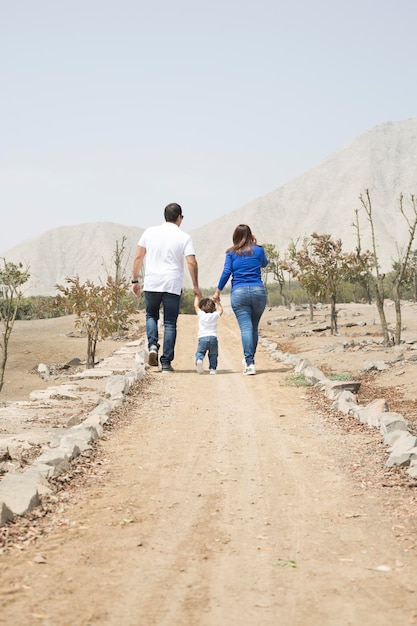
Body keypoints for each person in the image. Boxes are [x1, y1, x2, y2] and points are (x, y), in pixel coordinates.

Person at [131, 202, 201, 373]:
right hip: (172, 284)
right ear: (179, 218)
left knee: (151, 315)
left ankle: (153, 345)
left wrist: (135, 280)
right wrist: (195, 286)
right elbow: (191, 261)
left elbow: (139, 257)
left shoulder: (149, 232)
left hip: (152, 282)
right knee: (170, 323)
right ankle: (166, 363)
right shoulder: (184, 237)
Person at [213, 224, 268, 375]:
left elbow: (226, 272)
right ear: (251, 235)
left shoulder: (231, 253)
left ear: (235, 236)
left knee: (246, 328)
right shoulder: (259, 250)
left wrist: (218, 291)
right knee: (254, 327)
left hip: (239, 293)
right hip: (258, 291)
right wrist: (255, 244)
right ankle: (250, 361)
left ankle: (249, 362)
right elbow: (264, 263)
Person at [194, 295, 223, 375]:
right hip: (213, 338)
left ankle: (199, 360)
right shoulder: (214, 315)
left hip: (202, 338)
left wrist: (197, 296)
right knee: (213, 354)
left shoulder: (201, 314)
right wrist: (218, 302)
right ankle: (213, 369)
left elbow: (195, 305)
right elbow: (221, 310)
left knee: (200, 352)